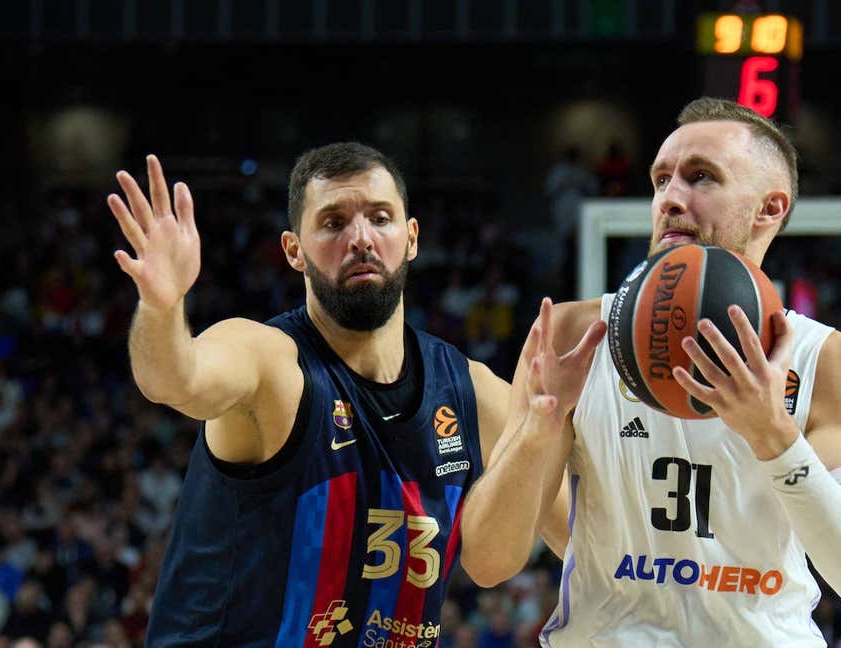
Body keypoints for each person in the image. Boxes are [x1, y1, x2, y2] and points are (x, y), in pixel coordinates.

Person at [462, 98, 841, 646]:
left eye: (701, 178)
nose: (670, 198)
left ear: (770, 208)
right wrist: (542, 426)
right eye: (661, 179)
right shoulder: (574, 337)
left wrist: (774, 435)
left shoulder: (827, 361)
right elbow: (487, 563)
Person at [106, 145, 561, 646]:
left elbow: (561, 533)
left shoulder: (471, 390)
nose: (361, 238)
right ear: (293, 249)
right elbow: (175, 379)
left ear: (411, 238)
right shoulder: (269, 363)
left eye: (381, 218)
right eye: (333, 222)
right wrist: (161, 306)